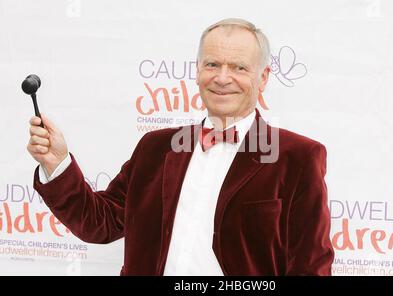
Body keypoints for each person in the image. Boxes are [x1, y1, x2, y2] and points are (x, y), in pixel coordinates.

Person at [27, 18, 334, 275]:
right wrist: (58, 164)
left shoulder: (298, 158)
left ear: (263, 77)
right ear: (198, 71)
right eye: (212, 64)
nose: (222, 78)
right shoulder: (155, 148)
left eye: (239, 67)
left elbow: (311, 267)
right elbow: (100, 222)